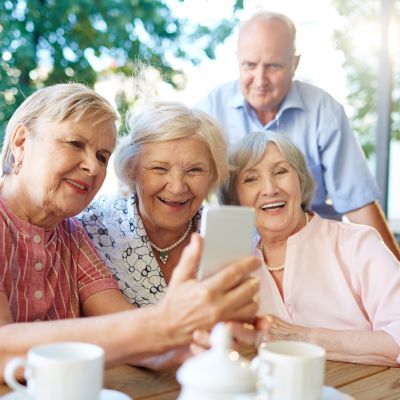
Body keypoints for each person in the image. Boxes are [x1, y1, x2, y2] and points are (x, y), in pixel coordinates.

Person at [0, 83, 260, 381]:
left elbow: (123, 323)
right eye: (74, 143)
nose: (92, 167)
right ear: (21, 142)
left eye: (101, 156)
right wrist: (163, 324)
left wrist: (189, 346)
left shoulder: (71, 234)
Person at [196, 11, 400, 260]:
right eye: (249, 65)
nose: (260, 80)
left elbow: (359, 204)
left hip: (314, 253)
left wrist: (395, 271)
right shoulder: (210, 110)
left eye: (273, 66)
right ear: (238, 61)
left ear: (294, 64)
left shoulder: (325, 112)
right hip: (237, 253)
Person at [219, 131, 400, 366]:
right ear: (235, 197)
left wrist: (304, 336)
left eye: (281, 171)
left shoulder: (358, 244)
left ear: (301, 180)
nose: (270, 188)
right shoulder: (234, 268)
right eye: (250, 179)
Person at [78, 101, 227, 307]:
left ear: (212, 175)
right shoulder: (90, 228)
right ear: (132, 170)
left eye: (194, 170)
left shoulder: (224, 235)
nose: (177, 187)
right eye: (159, 169)